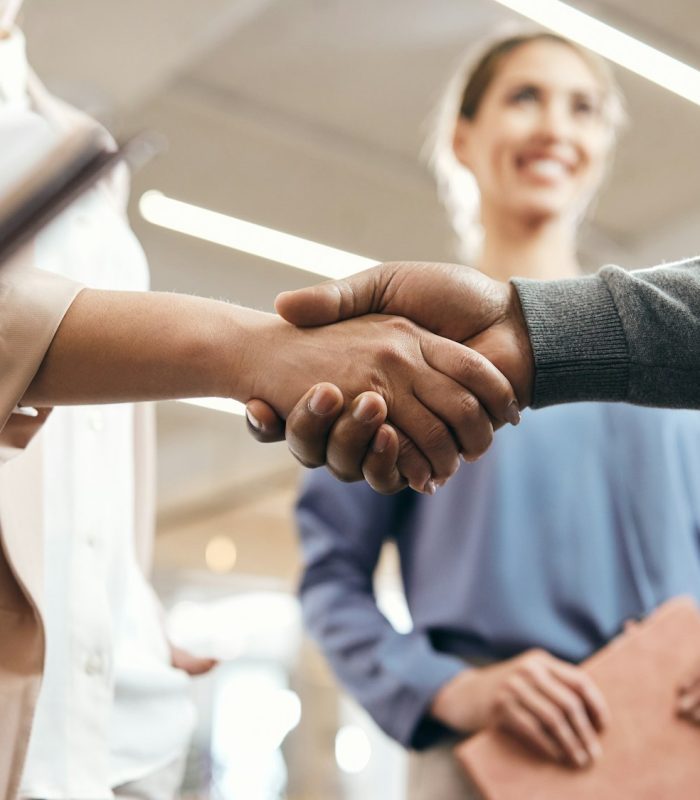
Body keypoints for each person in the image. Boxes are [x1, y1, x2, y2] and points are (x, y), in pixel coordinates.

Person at [0, 15, 520, 800]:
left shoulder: (80, 146)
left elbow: (89, 445)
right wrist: (258, 350)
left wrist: (120, 600)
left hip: (111, 722)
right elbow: (333, 579)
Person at [286, 32, 700, 799]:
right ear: (462, 138)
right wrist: (442, 688)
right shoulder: (399, 354)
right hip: (496, 749)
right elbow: (331, 578)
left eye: (584, 108)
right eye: (525, 97)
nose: (556, 126)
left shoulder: (668, 352)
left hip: (676, 736)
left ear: (603, 147)